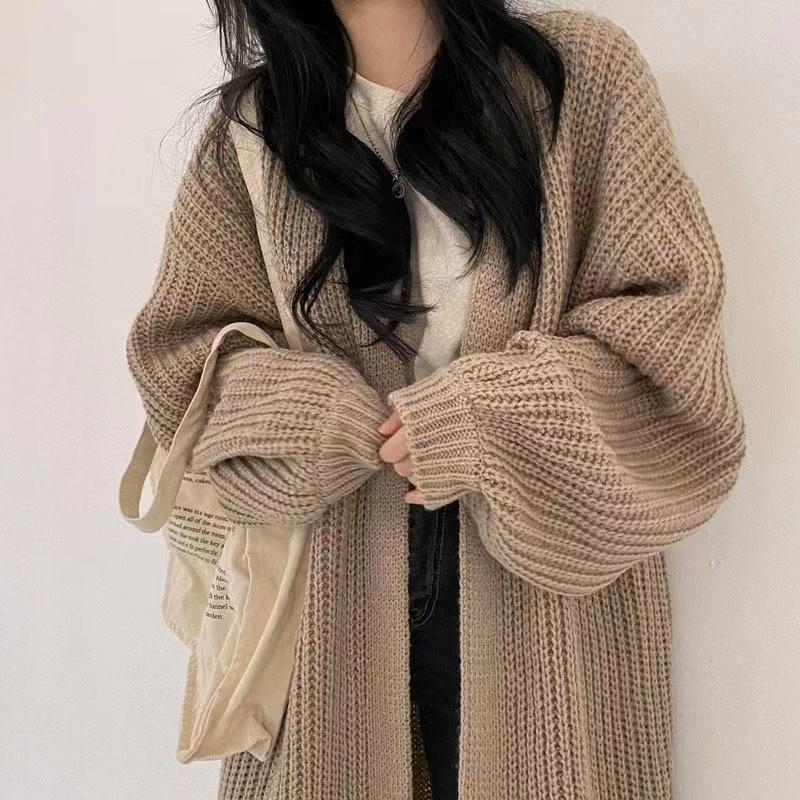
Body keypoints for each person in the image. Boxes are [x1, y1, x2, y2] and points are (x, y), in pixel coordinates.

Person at [123, 2, 746, 799]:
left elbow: (669, 344)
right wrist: (311, 415)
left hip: (541, 592)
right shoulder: (254, 129)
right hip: (326, 598)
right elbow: (181, 362)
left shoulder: (578, 75)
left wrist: (484, 421)